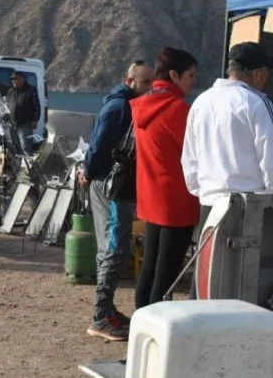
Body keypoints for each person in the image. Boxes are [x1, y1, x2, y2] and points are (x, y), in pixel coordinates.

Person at [80, 61, 154, 341]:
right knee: (114, 247)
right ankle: (100, 316)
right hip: (112, 186)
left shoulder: (125, 104)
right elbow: (98, 145)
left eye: (151, 82)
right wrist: (89, 171)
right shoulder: (120, 107)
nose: (149, 87)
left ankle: (107, 309)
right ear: (129, 80)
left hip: (110, 183)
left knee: (110, 247)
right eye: (144, 82)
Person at [130, 46, 200, 309]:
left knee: (150, 268)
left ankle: (141, 321)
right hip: (177, 201)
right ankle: (155, 325)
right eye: (190, 75)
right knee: (166, 275)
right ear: (174, 75)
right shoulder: (177, 109)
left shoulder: (142, 105)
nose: (193, 81)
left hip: (151, 197)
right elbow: (198, 154)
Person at [182, 42, 273, 210]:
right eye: (266, 71)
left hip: (209, 204)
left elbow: (189, 159)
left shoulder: (201, 101)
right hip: (248, 205)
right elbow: (272, 159)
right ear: (257, 73)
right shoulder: (256, 101)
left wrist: (204, 192)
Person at [5, 71, 42, 154]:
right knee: (14, 147)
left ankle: (27, 161)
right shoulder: (11, 91)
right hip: (12, 124)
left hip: (25, 123)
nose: (13, 81)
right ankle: (17, 162)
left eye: (15, 78)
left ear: (22, 79)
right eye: (12, 79)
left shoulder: (31, 90)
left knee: (26, 147)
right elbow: (7, 105)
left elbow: (37, 107)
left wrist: (35, 120)